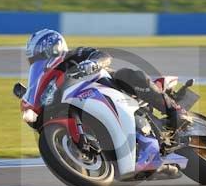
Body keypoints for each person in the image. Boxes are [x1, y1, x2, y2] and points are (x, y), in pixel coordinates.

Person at [26, 28, 191, 131]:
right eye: (35, 57)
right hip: (83, 102)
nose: (38, 59)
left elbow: (103, 56)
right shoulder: (48, 79)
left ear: (54, 47)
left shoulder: (75, 55)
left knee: (127, 74)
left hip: (110, 86)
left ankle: (175, 111)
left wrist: (92, 63)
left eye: (40, 54)